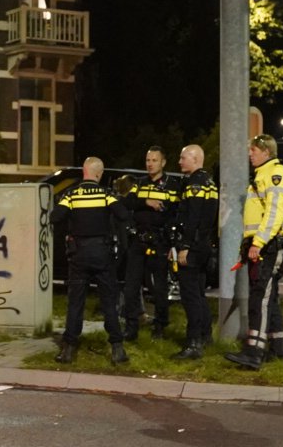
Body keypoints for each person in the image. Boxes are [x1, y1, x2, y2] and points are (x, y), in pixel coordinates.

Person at [224, 134, 283, 369]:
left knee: (260, 298)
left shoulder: (275, 175)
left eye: (253, 150)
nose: (249, 154)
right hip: (267, 244)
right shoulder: (264, 175)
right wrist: (250, 245)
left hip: (271, 245)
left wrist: (258, 243)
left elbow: (274, 214)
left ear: (266, 152)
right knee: (269, 297)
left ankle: (254, 352)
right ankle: (278, 349)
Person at [52, 156, 130, 365]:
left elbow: (55, 217)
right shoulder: (106, 194)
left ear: (84, 172)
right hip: (102, 254)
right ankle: (117, 349)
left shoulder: (71, 194)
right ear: (99, 174)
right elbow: (123, 215)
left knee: (75, 302)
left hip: (78, 255)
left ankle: (68, 349)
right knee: (108, 302)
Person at [120, 146, 176, 341]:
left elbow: (175, 212)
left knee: (159, 287)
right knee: (131, 286)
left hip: (160, 241)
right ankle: (131, 327)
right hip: (139, 241)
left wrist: (172, 242)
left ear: (163, 162)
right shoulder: (140, 183)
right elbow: (126, 202)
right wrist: (146, 202)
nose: (150, 164)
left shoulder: (171, 185)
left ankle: (160, 326)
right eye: (148, 160)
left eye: (154, 160)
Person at [170, 144, 217, 359]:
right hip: (204, 245)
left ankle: (193, 343)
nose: (180, 161)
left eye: (183, 158)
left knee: (190, 296)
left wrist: (185, 246)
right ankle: (205, 337)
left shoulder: (195, 183)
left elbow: (193, 218)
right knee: (199, 294)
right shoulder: (209, 181)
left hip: (194, 246)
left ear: (196, 159)